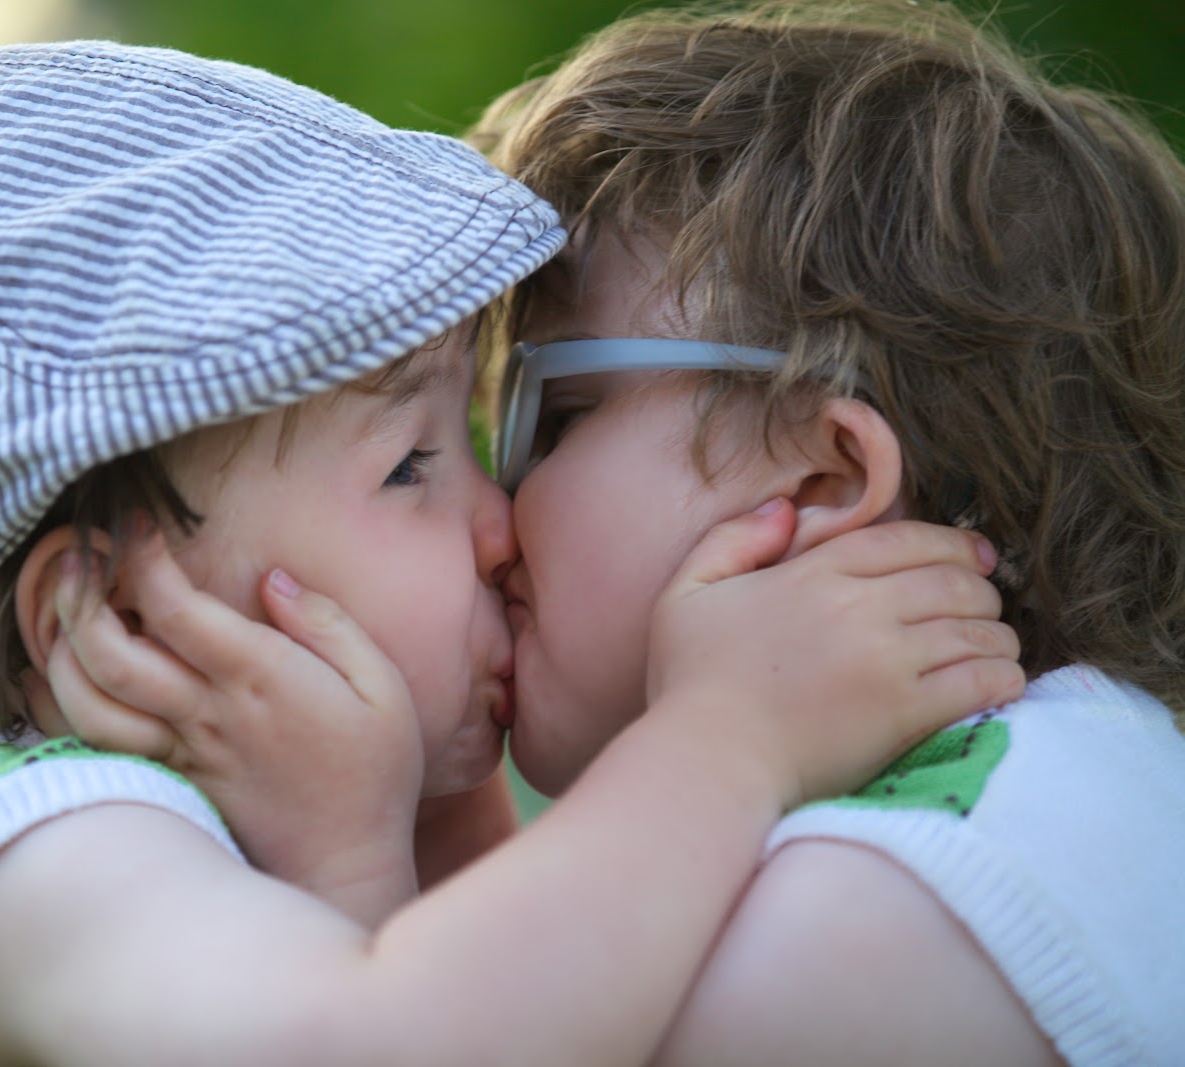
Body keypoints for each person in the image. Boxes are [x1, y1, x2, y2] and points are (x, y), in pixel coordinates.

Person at [0, 38, 1021, 1067]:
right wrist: (730, 736)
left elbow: (526, 995)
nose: (505, 527)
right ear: (113, 615)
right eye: (410, 467)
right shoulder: (44, 849)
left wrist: (412, 814)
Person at [466, 1, 1185, 1062]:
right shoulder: (1086, 790)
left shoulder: (850, 929)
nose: (486, 517)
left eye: (554, 414)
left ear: (822, 478)